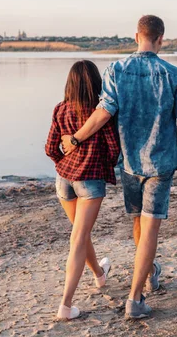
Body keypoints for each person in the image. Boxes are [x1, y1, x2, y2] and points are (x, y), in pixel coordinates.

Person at [61, 15, 177, 319]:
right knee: (150, 227)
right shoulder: (173, 73)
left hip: (129, 162)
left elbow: (103, 112)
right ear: (160, 39)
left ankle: (148, 276)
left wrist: (75, 138)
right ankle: (135, 297)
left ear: (136, 36)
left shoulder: (117, 69)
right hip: (161, 162)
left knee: (138, 223)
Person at [45, 60, 120, 320]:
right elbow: (113, 150)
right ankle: (65, 306)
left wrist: (64, 163)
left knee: (81, 233)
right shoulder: (100, 114)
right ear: (95, 83)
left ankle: (100, 275)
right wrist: (98, 166)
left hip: (63, 180)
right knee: (78, 237)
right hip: (89, 181)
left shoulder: (60, 109)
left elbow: (50, 148)